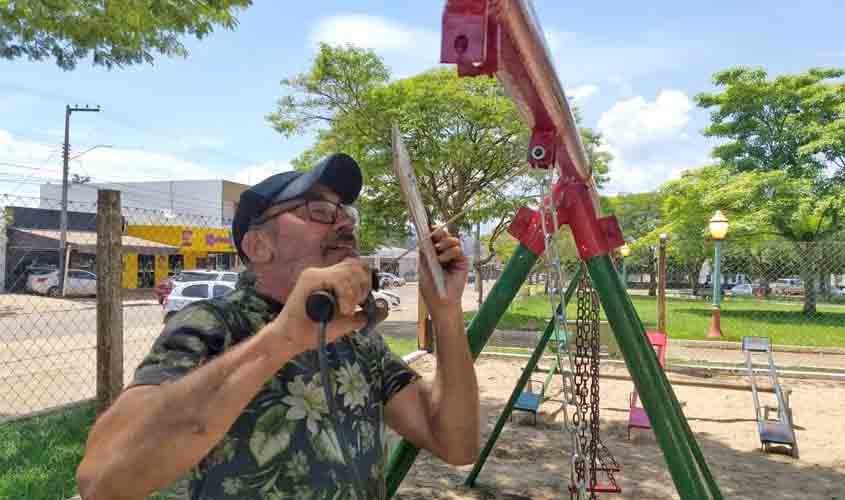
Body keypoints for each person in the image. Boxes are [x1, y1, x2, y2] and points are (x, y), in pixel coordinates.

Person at [76, 153, 480, 500]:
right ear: (258, 246)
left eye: (346, 214)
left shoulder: (356, 337)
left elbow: (456, 442)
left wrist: (446, 309)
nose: (345, 224)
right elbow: (103, 480)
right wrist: (285, 338)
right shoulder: (212, 324)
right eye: (319, 211)